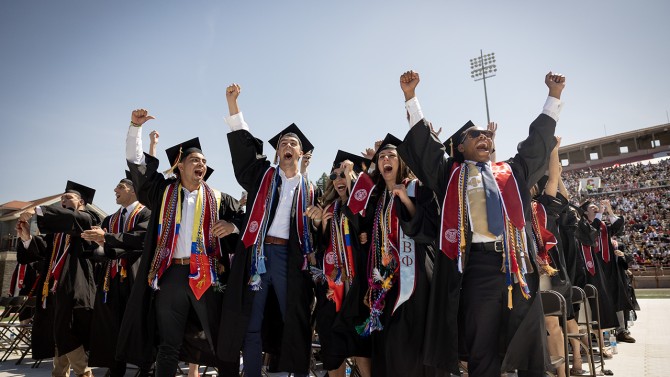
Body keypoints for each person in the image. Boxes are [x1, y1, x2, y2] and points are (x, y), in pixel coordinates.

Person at [397, 70, 566, 377]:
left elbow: (536, 147)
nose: (484, 137)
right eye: (475, 135)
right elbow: (424, 146)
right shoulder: (450, 174)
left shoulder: (511, 173)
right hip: (476, 267)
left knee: (531, 343)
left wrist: (553, 97)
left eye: (486, 135)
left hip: (517, 266)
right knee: (482, 346)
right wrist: (411, 98)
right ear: (460, 148)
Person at [117, 109, 243, 376]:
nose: (202, 164)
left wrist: (232, 227)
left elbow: (246, 221)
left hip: (208, 275)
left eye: (204, 161)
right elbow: (139, 169)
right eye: (195, 159)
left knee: (220, 340)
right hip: (171, 274)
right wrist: (135, 130)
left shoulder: (219, 199)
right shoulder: (162, 193)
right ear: (181, 166)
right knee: (168, 344)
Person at [220, 83, 320, 377]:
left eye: (293, 144)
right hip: (259, 256)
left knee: (295, 317)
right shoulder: (263, 176)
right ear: (277, 152)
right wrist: (233, 106)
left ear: (301, 153)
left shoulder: (310, 189)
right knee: (252, 319)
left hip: (290, 259)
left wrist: (317, 220)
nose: (287, 147)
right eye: (283, 144)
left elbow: (318, 230)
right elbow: (244, 151)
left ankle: (295, 372)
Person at [352, 134, 438, 377]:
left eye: (391, 156)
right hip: (388, 279)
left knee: (411, 340)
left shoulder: (416, 188)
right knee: (389, 341)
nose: (386, 159)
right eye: (382, 157)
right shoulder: (379, 198)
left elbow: (428, 229)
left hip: (416, 275)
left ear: (401, 162)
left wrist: (406, 202)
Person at [16, 181, 100, 377]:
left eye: (68, 198)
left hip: (75, 285)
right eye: (61, 198)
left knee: (65, 331)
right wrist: (27, 237)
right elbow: (43, 251)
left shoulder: (88, 219)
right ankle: (60, 373)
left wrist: (39, 209)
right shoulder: (57, 233)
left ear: (82, 202)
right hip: (53, 288)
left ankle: (83, 372)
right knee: (58, 331)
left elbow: (72, 220)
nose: (63, 201)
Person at [81, 172, 151, 377]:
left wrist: (108, 239)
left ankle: (146, 369)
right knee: (111, 325)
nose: (115, 190)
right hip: (110, 280)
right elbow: (105, 249)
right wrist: (97, 242)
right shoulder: (110, 219)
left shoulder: (147, 213)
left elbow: (141, 240)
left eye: (120, 186)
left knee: (139, 323)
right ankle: (115, 368)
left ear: (133, 190)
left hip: (136, 277)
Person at [313, 151, 372, 377]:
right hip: (334, 290)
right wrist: (321, 224)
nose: (339, 179)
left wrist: (352, 177)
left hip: (359, 289)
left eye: (344, 174)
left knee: (362, 350)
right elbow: (321, 248)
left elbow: (364, 227)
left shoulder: (363, 206)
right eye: (335, 175)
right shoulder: (329, 210)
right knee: (334, 348)